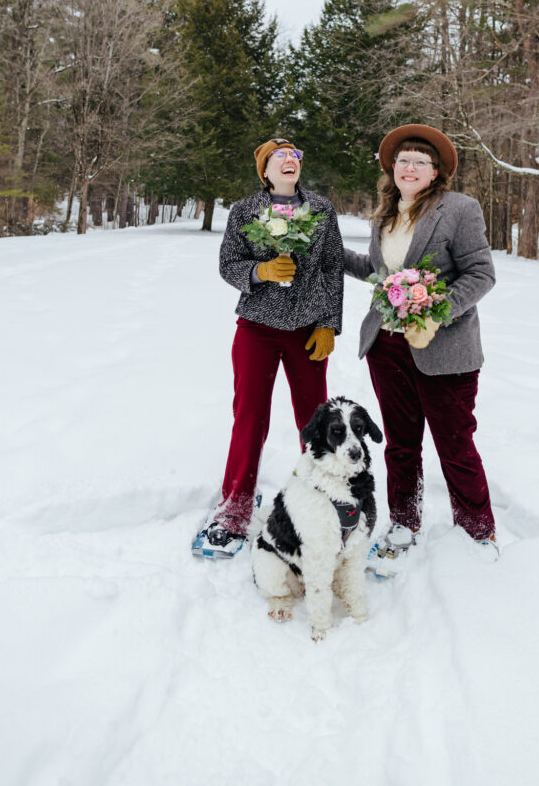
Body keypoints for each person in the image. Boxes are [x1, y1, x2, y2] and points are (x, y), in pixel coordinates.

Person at [344, 124, 498, 558]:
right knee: (401, 445)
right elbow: (380, 274)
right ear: (392, 168)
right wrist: (333, 255)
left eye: (420, 162)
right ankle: (404, 523)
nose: (409, 168)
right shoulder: (386, 215)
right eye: (403, 161)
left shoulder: (459, 209)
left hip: (445, 351)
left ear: (435, 172)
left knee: (455, 446)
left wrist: (437, 314)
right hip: (387, 347)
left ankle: (478, 532)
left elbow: (481, 274)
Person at [193, 137, 345, 557]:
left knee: (315, 419)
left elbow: (332, 267)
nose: (290, 160)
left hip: (307, 329)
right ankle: (234, 509)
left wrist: (329, 324)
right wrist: (261, 271)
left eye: (296, 155)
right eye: (281, 156)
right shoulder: (245, 210)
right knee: (250, 417)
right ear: (265, 169)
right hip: (257, 328)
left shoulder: (321, 208)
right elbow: (228, 264)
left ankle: (322, 501)